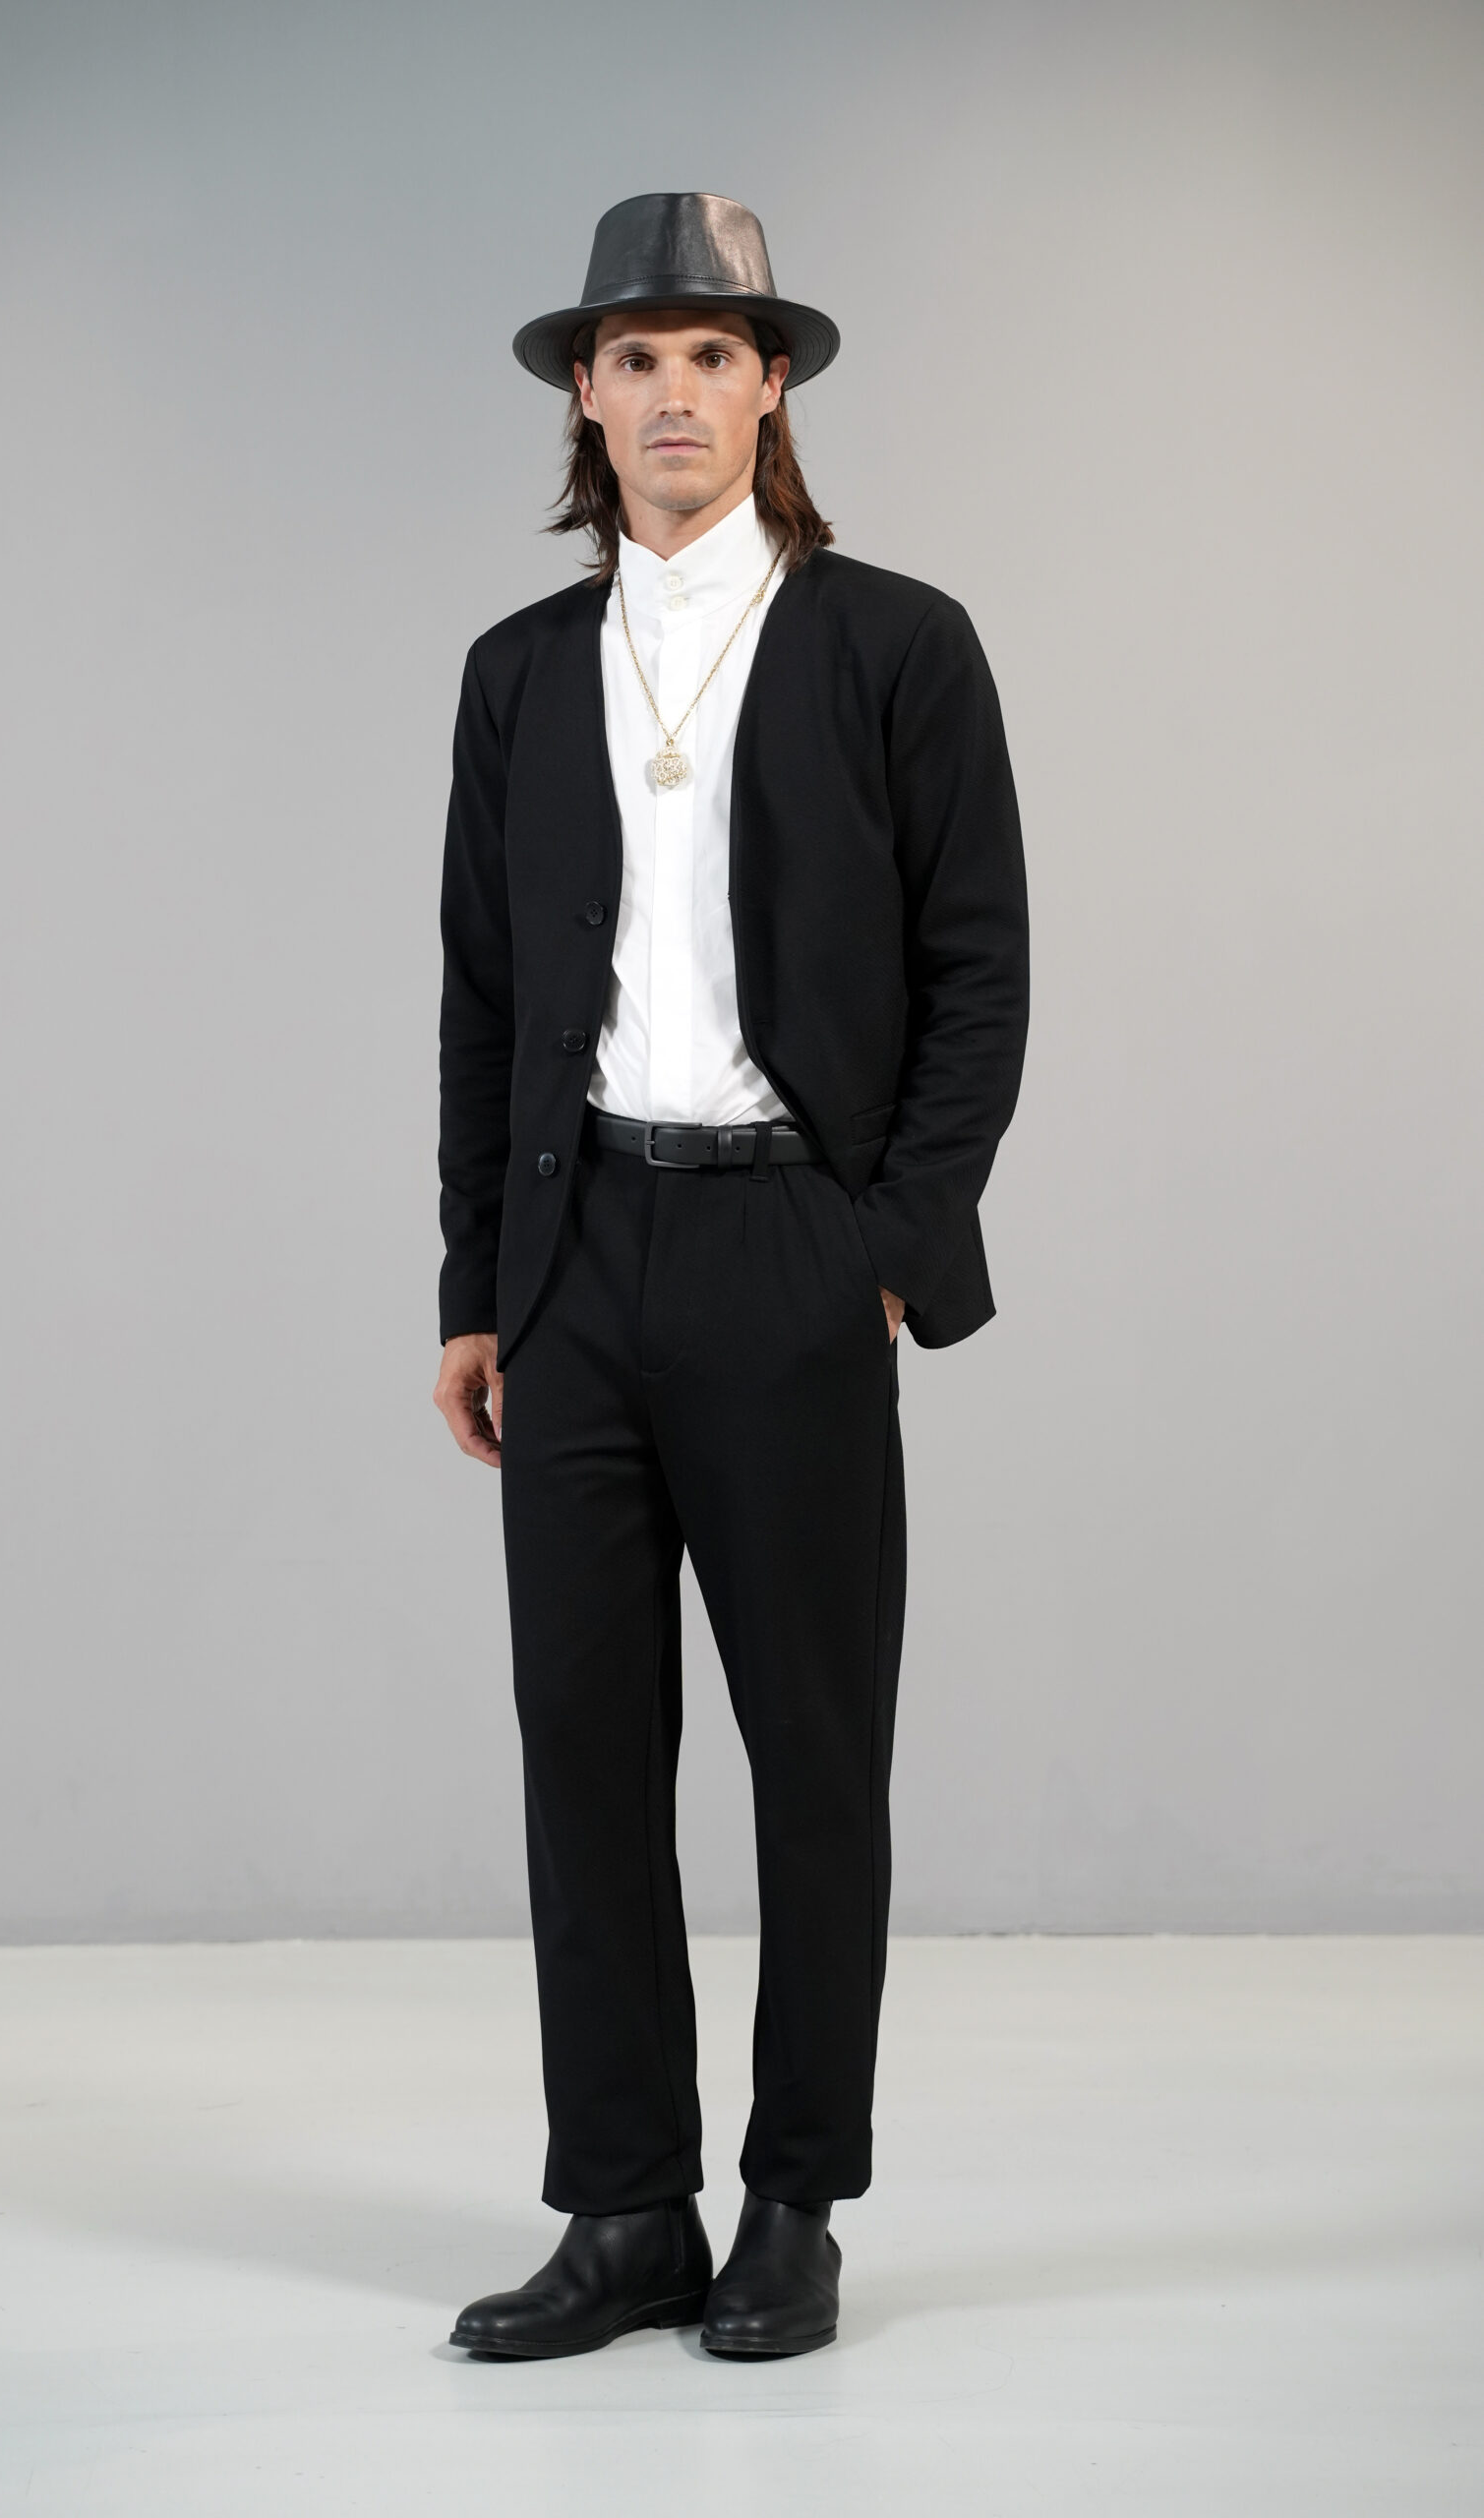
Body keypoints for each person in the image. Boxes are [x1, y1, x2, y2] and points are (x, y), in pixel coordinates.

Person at [433, 193, 1028, 2360]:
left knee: (813, 1753)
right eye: (636, 357)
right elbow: (484, 998)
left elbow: (979, 973)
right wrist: (476, 1284)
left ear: (771, 387)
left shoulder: (896, 645)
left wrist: (883, 1248)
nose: (674, 391)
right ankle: (623, 2210)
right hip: (576, 1254)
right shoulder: (520, 673)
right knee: (582, 1751)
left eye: (712, 353)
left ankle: (794, 2202)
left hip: (792, 1245)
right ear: (585, 401)